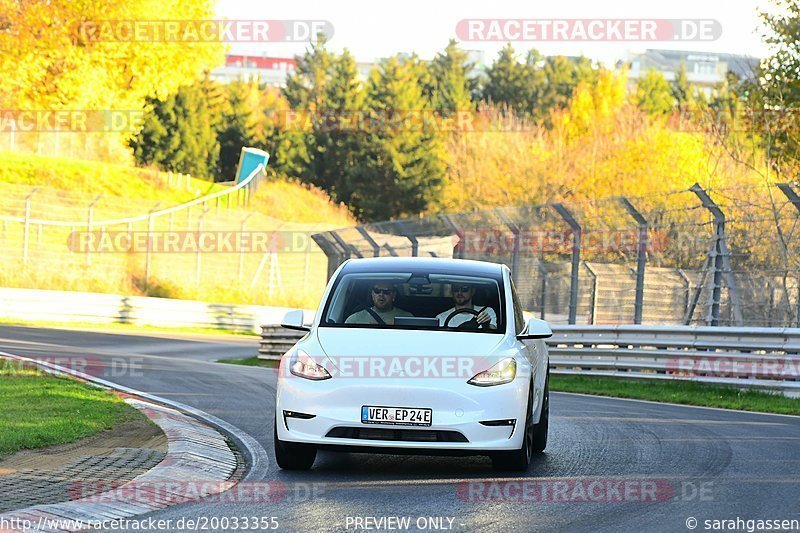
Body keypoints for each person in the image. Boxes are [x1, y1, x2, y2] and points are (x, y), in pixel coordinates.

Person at [345, 282, 413, 325]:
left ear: (394, 295)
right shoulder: (354, 320)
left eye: (386, 292)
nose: (381, 294)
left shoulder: (408, 318)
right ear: (372, 294)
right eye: (377, 291)